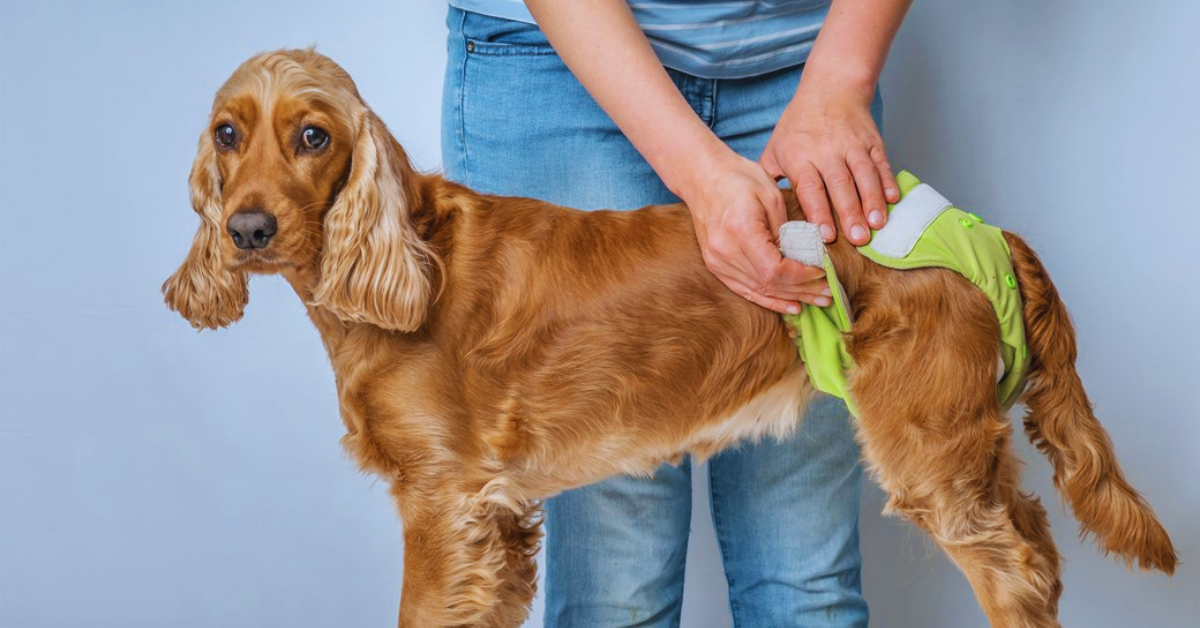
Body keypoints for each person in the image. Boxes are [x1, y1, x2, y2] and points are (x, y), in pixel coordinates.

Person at [440, 1, 911, 626]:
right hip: (562, 58)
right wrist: (699, 172)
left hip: (804, 62)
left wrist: (839, 80)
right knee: (616, 583)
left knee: (807, 582)